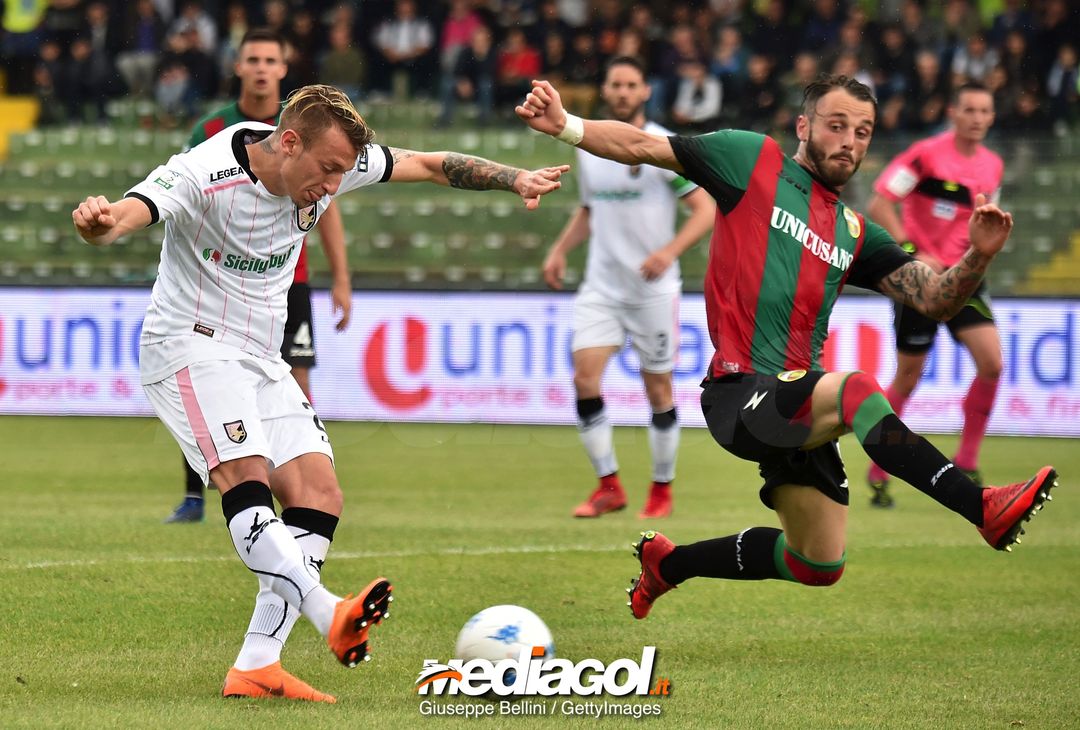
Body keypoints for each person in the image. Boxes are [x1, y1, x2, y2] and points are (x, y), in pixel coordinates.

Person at [74, 83, 567, 700]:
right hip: (190, 347)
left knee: (319, 493)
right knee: (246, 479)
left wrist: (514, 178)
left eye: (343, 172)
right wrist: (99, 224)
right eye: (328, 170)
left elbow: (432, 165)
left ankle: (257, 665)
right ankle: (328, 610)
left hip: (261, 356)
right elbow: (127, 215)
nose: (334, 185)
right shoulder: (203, 171)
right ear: (288, 142)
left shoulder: (334, 162)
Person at [515, 74, 1056, 621]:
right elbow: (643, 146)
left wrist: (978, 257)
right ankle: (980, 506)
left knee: (817, 563)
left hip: (796, 402)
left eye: (863, 132)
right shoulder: (751, 160)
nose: (850, 140)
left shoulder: (856, 231)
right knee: (859, 390)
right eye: (837, 125)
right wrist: (567, 126)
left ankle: (669, 565)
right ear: (804, 126)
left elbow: (936, 299)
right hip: (739, 392)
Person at [166, 29, 352, 524]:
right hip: (221, 286)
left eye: (272, 58)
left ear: (284, 68)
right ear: (239, 66)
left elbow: (329, 207)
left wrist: (341, 277)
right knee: (208, 385)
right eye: (254, 58)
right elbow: (184, 196)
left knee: (295, 381)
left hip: (292, 282)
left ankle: (290, 481)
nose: (263, 67)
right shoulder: (214, 130)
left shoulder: (309, 131)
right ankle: (196, 494)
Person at [542, 56, 715, 520]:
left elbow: (704, 209)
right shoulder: (587, 145)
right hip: (602, 284)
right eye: (614, 84)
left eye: (630, 85)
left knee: (657, 390)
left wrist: (668, 253)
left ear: (644, 93)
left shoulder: (659, 147)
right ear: (606, 90)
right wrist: (559, 250)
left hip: (652, 291)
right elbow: (590, 209)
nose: (621, 92)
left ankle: (661, 490)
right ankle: (608, 486)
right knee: (584, 377)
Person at [865, 83, 1004, 508]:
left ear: (992, 116)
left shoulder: (993, 166)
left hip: (963, 279)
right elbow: (880, 203)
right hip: (921, 279)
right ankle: (877, 469)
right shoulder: (926, 154)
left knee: (992, 363)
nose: (978, 117)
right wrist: (913, 248)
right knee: (907, 378)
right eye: (970, 110)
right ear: (953, 112)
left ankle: (967, 460)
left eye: (985, 110)